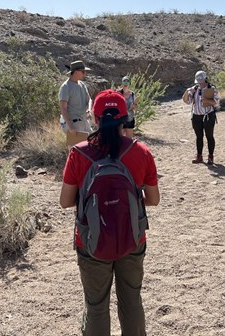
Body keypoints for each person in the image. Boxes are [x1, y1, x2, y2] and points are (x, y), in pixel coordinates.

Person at [60, 90, 160, 335]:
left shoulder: (78, 153)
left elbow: (65, 201)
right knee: (132, 301)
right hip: (132, 236)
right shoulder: (141, 151)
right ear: (125, 119)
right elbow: (154, 200)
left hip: (90, 240)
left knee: (95, 306)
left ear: (95, 119)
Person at [182, 70, 219, 165]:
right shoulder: (194, 89)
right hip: (196, 116)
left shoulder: (212, 89)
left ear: (205, 79)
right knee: (199, 137)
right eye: (198, 81)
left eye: (201, 81)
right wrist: (187, 91)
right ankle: (199, 156)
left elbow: (216, 102)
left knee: (209, 136)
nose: (200, 83)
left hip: (208, 115)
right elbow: (186, 100)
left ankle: (210, 156)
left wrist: (206, 100)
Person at [59, 60, 93, 136]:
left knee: (92, 143)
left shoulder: (82, 85)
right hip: (74, 123)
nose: (85, 74)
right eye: (83, 71)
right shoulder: (65, 87)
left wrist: (89, 110)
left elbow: (89, 100)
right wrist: (70, 127)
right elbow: (63, 108)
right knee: (76, 147)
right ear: (76, 72)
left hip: (85, 121)